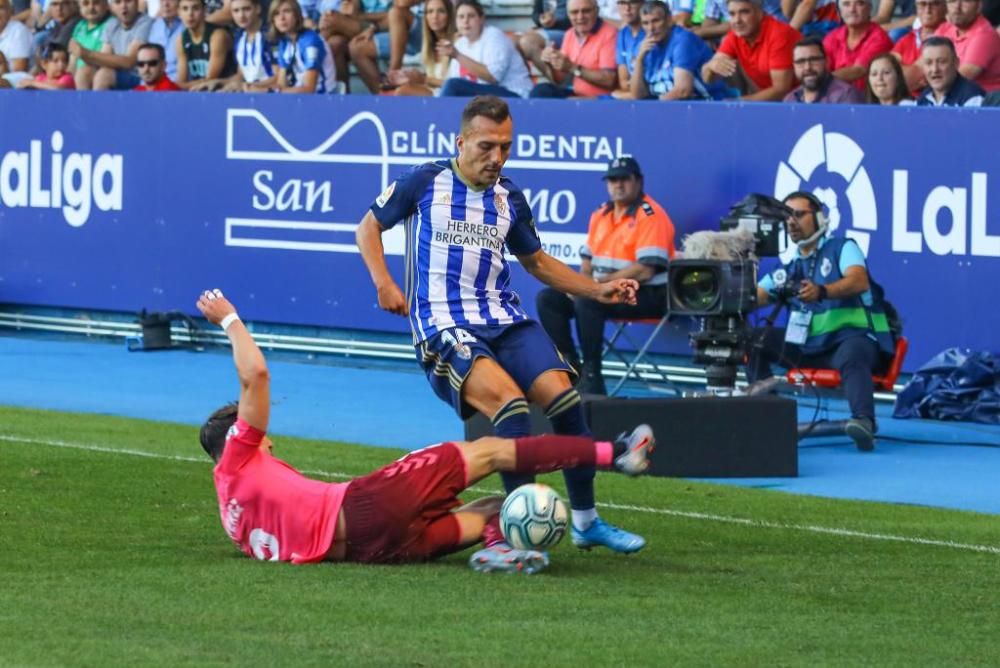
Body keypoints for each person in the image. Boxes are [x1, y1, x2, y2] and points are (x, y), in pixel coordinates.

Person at [355, 96, 649, 554]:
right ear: (462, 141)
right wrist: (383, 283)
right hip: (444, 325)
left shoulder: (508, 196)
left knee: (567, 402)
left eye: (506, 147)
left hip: (503, 318)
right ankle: (514, 539)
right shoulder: (424, 180)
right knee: (512, 409)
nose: (497, 158)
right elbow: (367, 228)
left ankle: (587, 522)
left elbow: (536, 261)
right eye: (487, 146)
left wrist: (597, 290)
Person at [195, 288, 655, 573]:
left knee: (501, 507)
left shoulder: (233, 521)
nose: (268, 438)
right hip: (370, 506)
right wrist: (229, 319)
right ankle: (614, 453)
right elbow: (255, 375)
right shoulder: (240, 454)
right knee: (494, 450)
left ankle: (498, 547)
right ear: (236, 435)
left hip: (376, 551)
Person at [747, 191, 896, 452]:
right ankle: (769, 418)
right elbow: (753, 298)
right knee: (754, 340)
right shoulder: (789, 268)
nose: (791, 221)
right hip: (807, 347)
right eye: (787, 217)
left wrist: (822, 291)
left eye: (798, 214)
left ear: (819, 218)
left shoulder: (843, 247)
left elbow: (858, 280)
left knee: (852, 353)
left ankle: (864, 422)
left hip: (850, 339)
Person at [536, 156, 676, 396]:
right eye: (613, 180)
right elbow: (587, 263)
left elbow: (646, 269)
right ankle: (570, 368)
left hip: (647, 294)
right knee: (548, 298)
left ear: (638, 181)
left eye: (624, 179)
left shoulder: (651, 215)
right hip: (604, 291)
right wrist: (581, 284)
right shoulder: (600, 214)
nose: (618, 185)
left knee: (588, 300)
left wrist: (595, 287)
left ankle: (593, 375)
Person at [702, 0, 801, 101]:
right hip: (774, 104)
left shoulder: (778, 35)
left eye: (744, 12)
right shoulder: (735, 35)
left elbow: (781, 90)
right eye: (732, 14)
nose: (737, 20)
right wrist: (711, 67)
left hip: (802, 104)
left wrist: (739, 102)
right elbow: (707, 78)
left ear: (760, 13)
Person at [629, 0, 726, 99]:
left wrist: (653, 109)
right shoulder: (643, 46)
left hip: (707, 104)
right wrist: (639, 60)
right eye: (645, 23)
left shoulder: (683, 40)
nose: (651, 28)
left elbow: (682, 91)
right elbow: (637, 96)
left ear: (669, 20)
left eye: (656, 21)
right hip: (670, 107)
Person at [438, 0, 534, 98]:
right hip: (484, 98)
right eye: (461, 17)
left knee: (453, 86)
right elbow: (457, 79)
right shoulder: (460, 44)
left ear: (481, 19)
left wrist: (457, 55)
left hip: (515, 94)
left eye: (471, 16)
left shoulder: (494, 36)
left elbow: (493, 77)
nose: (465, 21)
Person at [529, 0, 619, 98]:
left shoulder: (609, 33)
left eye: (586, 11)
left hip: (601, 100)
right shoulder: (569, 34)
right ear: (568, 14)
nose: (580, 17)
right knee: (540, 91)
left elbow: (609, 80)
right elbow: (560, 79)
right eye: (574, 12)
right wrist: (550, 61)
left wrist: (573, 67)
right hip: (576, 96)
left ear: (597, 11)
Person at [70, 0, 153, 89]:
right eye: (118, 2)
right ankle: (83, 102)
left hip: (138, 76)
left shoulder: (145, 22)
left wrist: (87, 54)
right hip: (117, 74)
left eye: (128, 1)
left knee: (104, 75)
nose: (123, 6)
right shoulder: (112, 24)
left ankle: (98, 103)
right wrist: (86, 56)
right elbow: (104, 58)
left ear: (137, 3)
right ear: (111, 7)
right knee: (84, 71)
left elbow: (129, 62)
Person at [383, 0, 452, 95]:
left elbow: (459, 86)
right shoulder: (429, 46)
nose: (435, 16)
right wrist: (409, 78)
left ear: (450, 15)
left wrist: (424, 79)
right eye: (430, 12)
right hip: (436, 94)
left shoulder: (457, 43)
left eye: (441, 11)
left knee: (403, 92)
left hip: (453, 96)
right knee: (402, 90)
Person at [822, 0, 892, 90]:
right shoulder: (831, 37)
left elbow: (858, 71)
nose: (852, 9)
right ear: (840, 11)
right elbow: (822, 68)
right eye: (846, 4)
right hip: (835, 97)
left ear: (870, 9)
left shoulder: (879, 38)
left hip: (866, 100)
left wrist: (822, 80)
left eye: (860, 3)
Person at [269, 0, 337, 92]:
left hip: (323, 98)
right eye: (276, 14)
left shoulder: (311, 40)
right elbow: (281, 84)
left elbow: (309, 89)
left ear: (297, 15)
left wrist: (276, 92)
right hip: (299, 97)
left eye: (287, 11)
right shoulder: (285, 42)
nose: (282, 18)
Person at [934, 0, 1000, 91]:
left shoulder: (985, 34)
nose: (957, 7)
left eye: (966, 1)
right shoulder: (944, 29)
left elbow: (958, 79)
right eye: (952, 1)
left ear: (979, 6)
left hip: (982, 102)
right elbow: (920, 67)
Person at [174, 0, 236, 89]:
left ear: (204, 11)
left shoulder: (217, 36)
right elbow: (182, 80)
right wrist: (178, 86)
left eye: (195, 8)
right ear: (179, 13)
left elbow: (210, 80)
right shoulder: (181, 39)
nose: (190, 14)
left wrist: (179, 86)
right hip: (197, 92)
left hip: (225, 92)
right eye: (185, 9)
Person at [784, 34, 865, 101]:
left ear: (827, 62)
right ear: (794, 66)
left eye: (814, 60)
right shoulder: (790, 99)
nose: (807, 67)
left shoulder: (845, 95)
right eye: (800, 62)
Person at [891, 0, 947, 94]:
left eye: (935, 4)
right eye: (922, 4)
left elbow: (898, 80)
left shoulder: (949, 36)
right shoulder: (907, 38)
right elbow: (887, 71)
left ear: (945, 7)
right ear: (916, 8)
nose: (928, 10)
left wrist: (904, 70)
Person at [914, 33, 986, 103]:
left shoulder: (973, 98)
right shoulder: (923, 97)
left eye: (942, 62)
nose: (935, 69)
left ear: (956, 63)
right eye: (929, 63)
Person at [518, 0, 571, 77]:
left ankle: (557, 80)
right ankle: (524, 79)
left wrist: (554, 21)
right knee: (514, 40)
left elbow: (578, 15)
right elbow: (536, 13)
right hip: (545, 30)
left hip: (567, 32)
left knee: (528, 41)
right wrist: (540, 19)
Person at [68, 0, 112, 88]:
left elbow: (106, 59)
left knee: (84, 73)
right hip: (78, 77)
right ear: (79, 7)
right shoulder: (79, 26)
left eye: (96, 3)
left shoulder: (111, 24)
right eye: (86, 3)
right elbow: (72, 62)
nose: (91, 7)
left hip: (97, 74)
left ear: (106, 5)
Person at [611, 0, 643, 98]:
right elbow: (624, 82)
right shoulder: (622, 34)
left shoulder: (652, 32)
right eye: (622, 3)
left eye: (633, 2)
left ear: (643, 3)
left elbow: (648, 86)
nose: (627, 8)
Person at [148, 0, 183, 80]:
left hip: (177, 85)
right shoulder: (155, 26)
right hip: (153, 82)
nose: (165, 4)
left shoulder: (188, 28)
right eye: (162, 0)